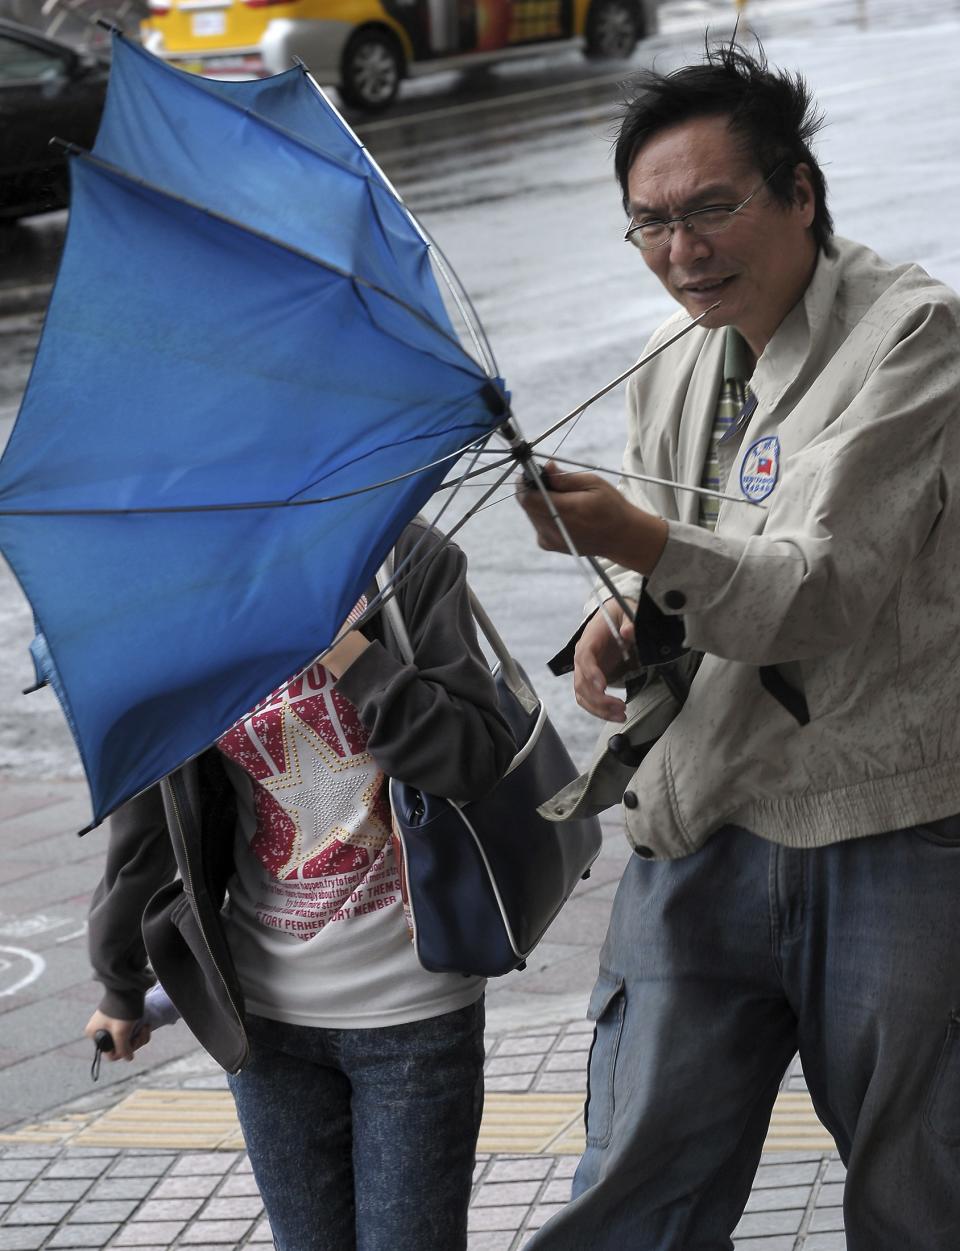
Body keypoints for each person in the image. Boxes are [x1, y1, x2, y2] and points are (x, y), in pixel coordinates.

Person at [516, 40, 960, 1251]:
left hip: (884, 824)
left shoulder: (915, 339)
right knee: (633, 1190)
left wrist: (651, 549)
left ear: (799, 192)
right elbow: (692, 569)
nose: (681, 251)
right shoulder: (676, 361)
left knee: (920, 1194)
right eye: (649, 225)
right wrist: (622, 614)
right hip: (699, 814)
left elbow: (823, 589)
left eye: (712, 209)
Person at [83, 519, 515, 1251]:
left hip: (413, 1011)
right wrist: (119, 980)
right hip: (265, 1020)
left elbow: (473, 757)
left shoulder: (404, 559)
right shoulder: (186, 596)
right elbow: (149, 815)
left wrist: (350, 649)